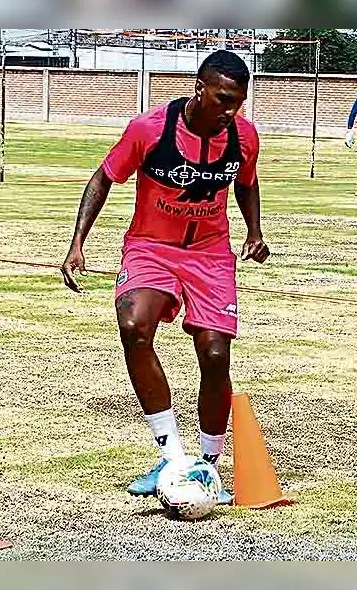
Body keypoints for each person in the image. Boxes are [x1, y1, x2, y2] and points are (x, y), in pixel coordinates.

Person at [60, 50, 269, 503]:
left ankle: (207, 467)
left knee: (215, 355)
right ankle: (171, 455)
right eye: (223, 100)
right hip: (150, 248)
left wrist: (254, 230)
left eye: (238, 102)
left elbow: (246, 182)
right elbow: (103, 178)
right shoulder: (149, 129)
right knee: (134, 325)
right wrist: (78, 243)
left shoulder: (244, 137)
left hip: (211, 255)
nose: (230, 112)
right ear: (200, 89)